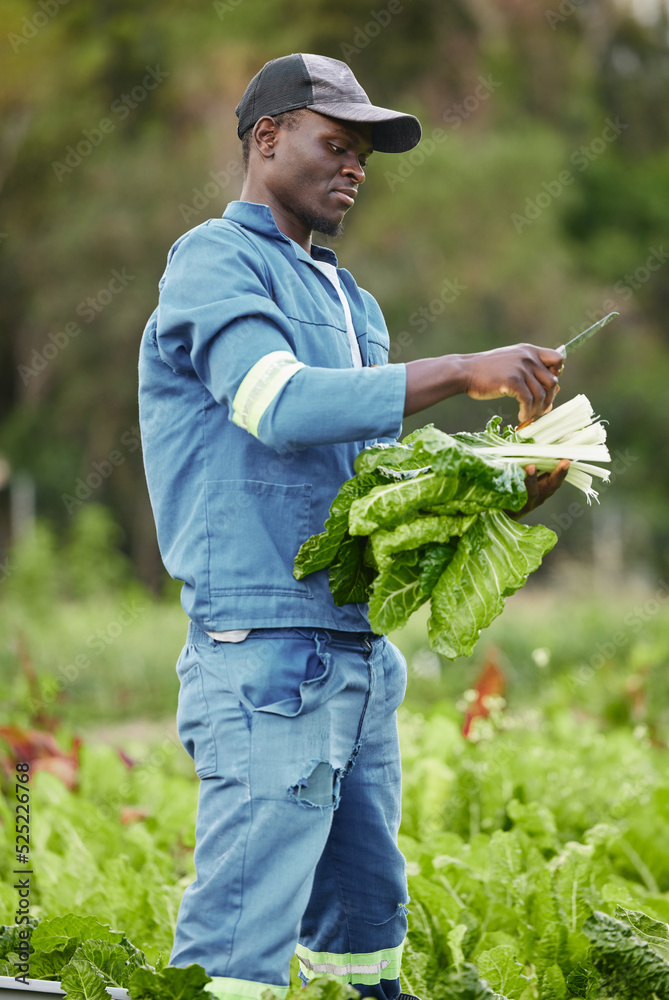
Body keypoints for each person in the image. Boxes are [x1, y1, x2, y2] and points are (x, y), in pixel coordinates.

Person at [138, 53, 567, 1000]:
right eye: (336, 144)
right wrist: (459, 370)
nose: (355, 168)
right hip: (264, 654)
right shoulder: (213, 261)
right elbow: (278, 406)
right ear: (266, 138)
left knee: (366, 922)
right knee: (239, 942)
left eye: (363, 154)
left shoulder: (352, 299)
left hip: (356, 653)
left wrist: (503, 488)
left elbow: (365, 497)